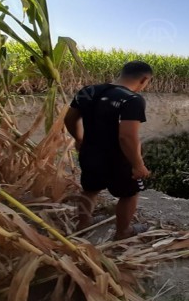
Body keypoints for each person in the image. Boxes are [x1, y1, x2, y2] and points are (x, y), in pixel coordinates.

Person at [64, 60, 153, 239]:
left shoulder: (87, 91)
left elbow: (69, 119)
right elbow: (126, 136)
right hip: (118, 159)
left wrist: (79, 139)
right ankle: (123, 232)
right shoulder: (132, 99)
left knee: (89, 190)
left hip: (90, 152)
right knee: (129, 194)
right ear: (144, 79)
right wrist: (137, 164)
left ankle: (82, 225)